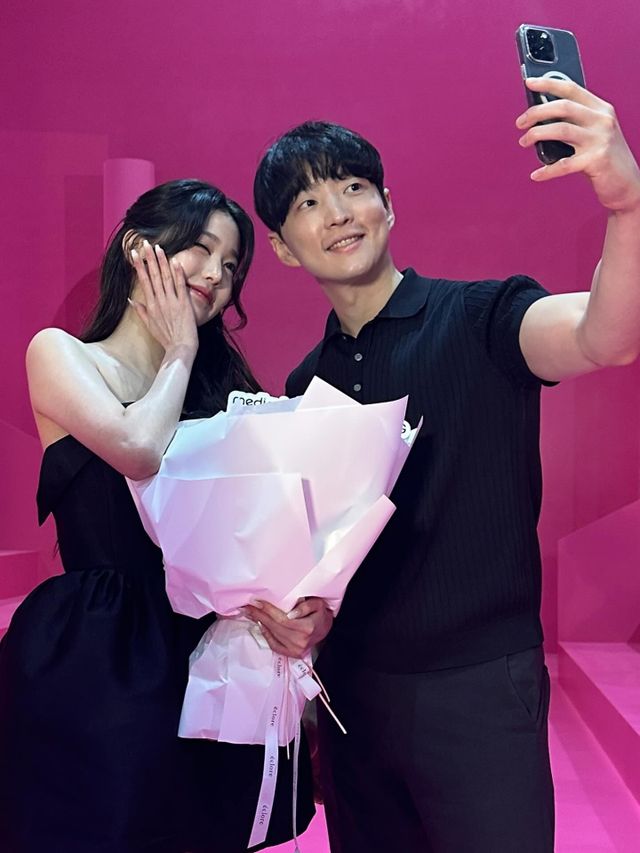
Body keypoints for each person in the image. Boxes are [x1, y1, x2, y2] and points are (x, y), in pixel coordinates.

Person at [250, 77, 640, 852]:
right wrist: (307, 618)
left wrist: (627, 205)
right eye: (308, 202)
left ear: (387, 205)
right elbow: (325, 555)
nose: (338, 212)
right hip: (354, 697)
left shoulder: (481, 317)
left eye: (353, 187)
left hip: (480, 687)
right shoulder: (304, 386)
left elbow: (606, 336)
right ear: (284, 247)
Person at [0, 179, 332, 853]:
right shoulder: (62, 354)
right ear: (136, 248)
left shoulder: (227, 391)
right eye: (200, 250)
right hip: (100, 655)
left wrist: (305, 613)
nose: (215, 276)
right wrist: (179, 350)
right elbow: (137, 448)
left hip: (206, 649)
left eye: (231, 265)